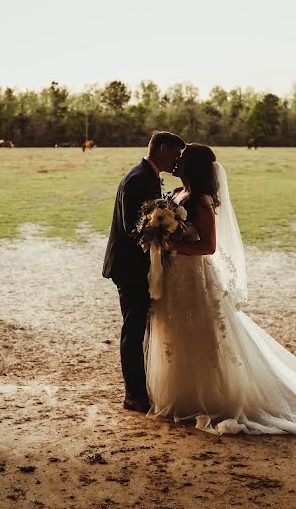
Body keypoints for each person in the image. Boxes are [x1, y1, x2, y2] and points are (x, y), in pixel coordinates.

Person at [144, 143, 296, 435]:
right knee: (178, 333)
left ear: (192, 166)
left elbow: (209, 246)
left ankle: (210, 396)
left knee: (204, 333)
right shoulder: (177, 194)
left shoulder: (200, 201)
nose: (176, 161)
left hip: (194, 276)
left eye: (182, 158)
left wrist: (172, 244)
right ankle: (183, 395)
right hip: (176, 278)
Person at [102, 131, 185, 413]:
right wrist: (170, 230)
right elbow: (132, 228)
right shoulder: (138, 178)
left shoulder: (148, 176)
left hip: (138, 266)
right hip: (129, 267)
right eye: (175, 154)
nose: (177, 162)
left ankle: (141, 389)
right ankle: (134, 395)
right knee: (134, 328)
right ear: (163, 149)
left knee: (140, 326)